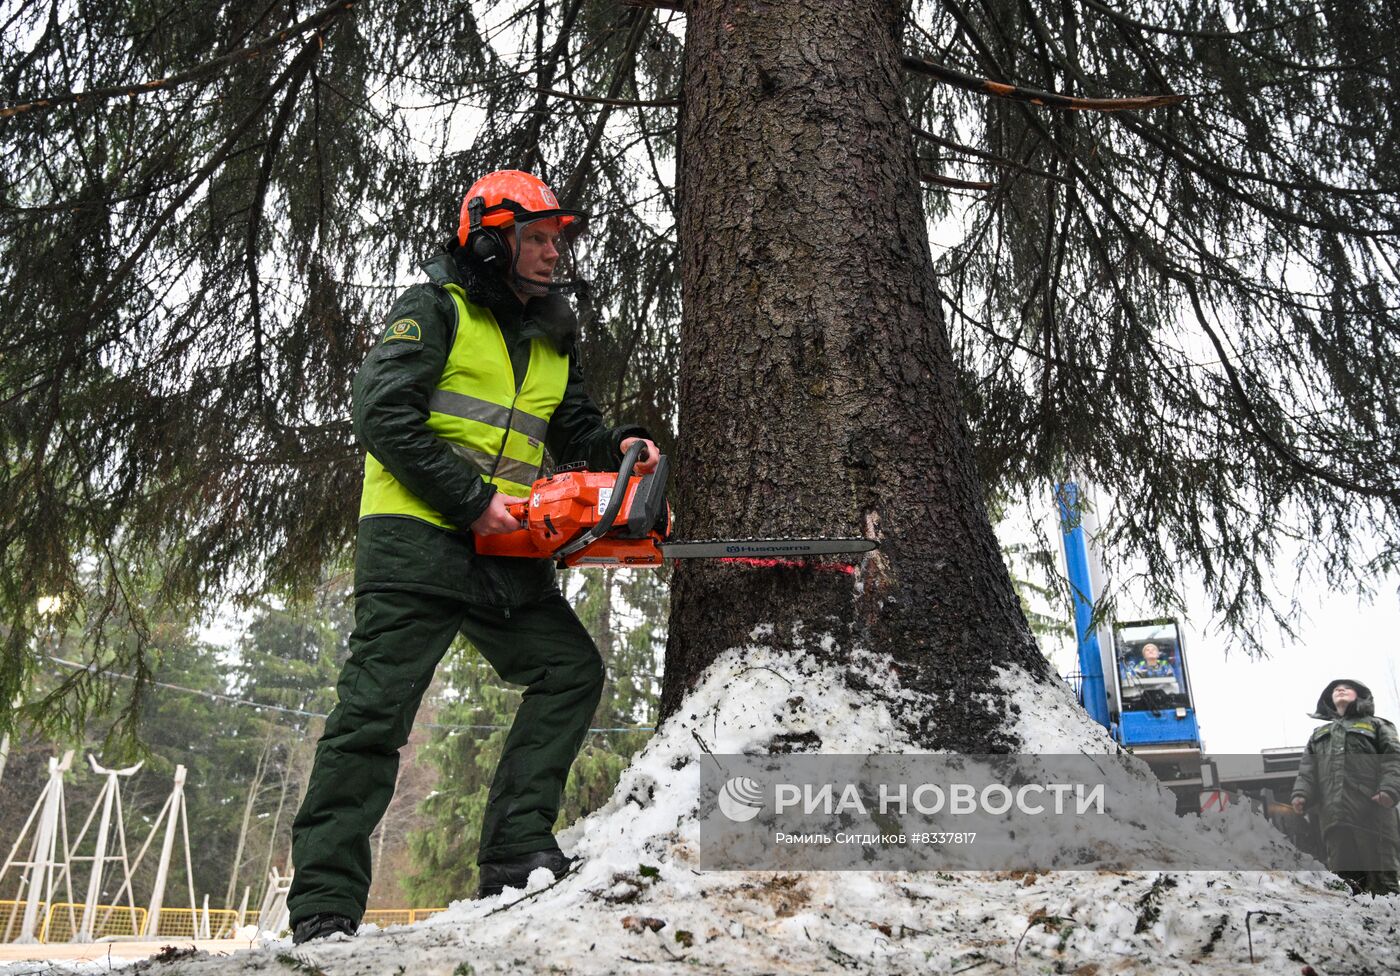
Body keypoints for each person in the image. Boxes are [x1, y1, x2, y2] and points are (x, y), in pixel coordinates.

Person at [286, 170, 658, 943]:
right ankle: (323, 905)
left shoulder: (553, 330)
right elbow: (382, 412)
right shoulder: (435, 308)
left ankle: (517, 850)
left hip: (503, 545)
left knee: (569, 670)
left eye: (558, 239)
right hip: (416, 539)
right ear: (489, 240)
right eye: (536, 238)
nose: (553, 253)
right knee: (373, 713)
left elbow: (576, 427)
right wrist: (467, 496)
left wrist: (619, 447)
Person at [1290, 679, 1400, 896]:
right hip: (1335, 819)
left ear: (1359, 696)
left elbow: (1393, 760)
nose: (1340, 689)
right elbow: (1307, 771)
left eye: (1347, 688)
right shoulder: (1319, 734)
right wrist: (1301, 794)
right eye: (1335, 689)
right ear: (1329, 700)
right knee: (1346, 883)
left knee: (1383, 881)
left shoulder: (1377, 725)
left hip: (1372, 814)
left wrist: (1389, 790)